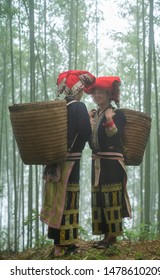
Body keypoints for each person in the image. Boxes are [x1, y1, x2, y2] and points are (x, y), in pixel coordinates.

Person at [40, 70, 95, 257]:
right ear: (78, 90)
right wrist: (90, 122)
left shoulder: (58, 106)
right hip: (71, 161)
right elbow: (85, 132)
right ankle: (61, 244)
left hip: (55, 160)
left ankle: (64, 241)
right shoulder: (78, 107)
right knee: (67, 199)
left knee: (57, 198)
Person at [86, 76, 132, 249]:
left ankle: (111, 237)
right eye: (94, 92)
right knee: (99, 197)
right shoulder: (94, 114)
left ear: (108, 95)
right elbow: (89, 139)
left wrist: (109, 118)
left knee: (111, 198)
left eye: (100, 92)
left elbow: (114, 134)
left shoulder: (117, 114)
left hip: (112, 163)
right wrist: (89, 120)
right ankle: (105, 235)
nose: (96, 95)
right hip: (98, 162)